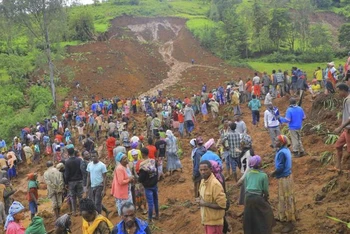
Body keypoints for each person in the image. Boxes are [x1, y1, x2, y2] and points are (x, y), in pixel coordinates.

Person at [271, 135, 296, 233]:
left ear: (282, 142)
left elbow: (280, 167)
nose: (275, 141)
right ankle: (285, 216)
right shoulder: (285, 150)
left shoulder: (281, 153)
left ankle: (289, 222)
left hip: (284, 178)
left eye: (277, 141)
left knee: (285, 198)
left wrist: (272, 173)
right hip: (288, 176)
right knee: (288, 197)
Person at [243, 156, 274, 234]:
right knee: (266, 213)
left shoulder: (248, 174)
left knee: (249, 216)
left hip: (248, 198)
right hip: (257, 198)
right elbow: (265, 191)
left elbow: (246, 187)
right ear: (260, 164)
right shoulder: (263, 175)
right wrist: (266, 198)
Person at [198, 160, 227, 234]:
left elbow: (223, 205)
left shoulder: (215, 184)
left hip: (215, 223)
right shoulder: (202, 182)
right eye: (201, 170)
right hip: (207, 221)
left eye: (205, 169)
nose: (203, 172)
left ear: (211, 169)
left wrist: (205, 204)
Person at [138, 148, 159, 223]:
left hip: (148, 186)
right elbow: (157, 171)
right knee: (156, 200)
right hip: (155, 184)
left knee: (150, 203)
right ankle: (157, 215)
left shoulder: (142, 165)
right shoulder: (153, 161)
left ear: (143, 154)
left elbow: (141, 178)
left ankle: (150, 219)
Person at [334, 84, 350, 172]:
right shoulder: (346, 99)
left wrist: (340, 127)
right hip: (346, 129)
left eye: (338, 91)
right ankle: (338, 167)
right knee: (338, 145)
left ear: (343, 90)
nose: (338, 93)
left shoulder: (349, 100)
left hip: (349, 130)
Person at [64, 147, 83, 216]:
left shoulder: (67, 162)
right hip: (80, 180)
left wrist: (66, 183)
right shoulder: (79, 160)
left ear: (68, 153)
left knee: (73, 196)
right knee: (80, 196)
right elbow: (82, 170)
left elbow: (66, 174)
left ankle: (74, 211)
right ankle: (81, 211)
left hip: (71, 182)